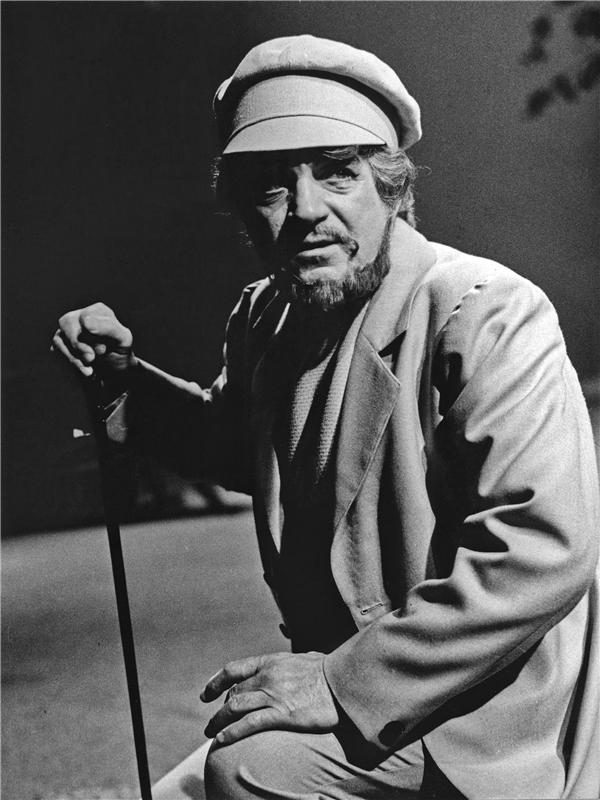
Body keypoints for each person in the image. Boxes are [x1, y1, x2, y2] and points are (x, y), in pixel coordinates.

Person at [53, 35, 599, 800]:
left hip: (484, 705)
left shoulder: (484, 311)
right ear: (243, 209)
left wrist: (339, 683)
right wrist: (123, 385)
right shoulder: (267, 316)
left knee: (243, 771)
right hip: (365, 675)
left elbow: (540, 551)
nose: (306, 210)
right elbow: (239, 444)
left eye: (336, 171)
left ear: (391, 188)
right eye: (271, 186)